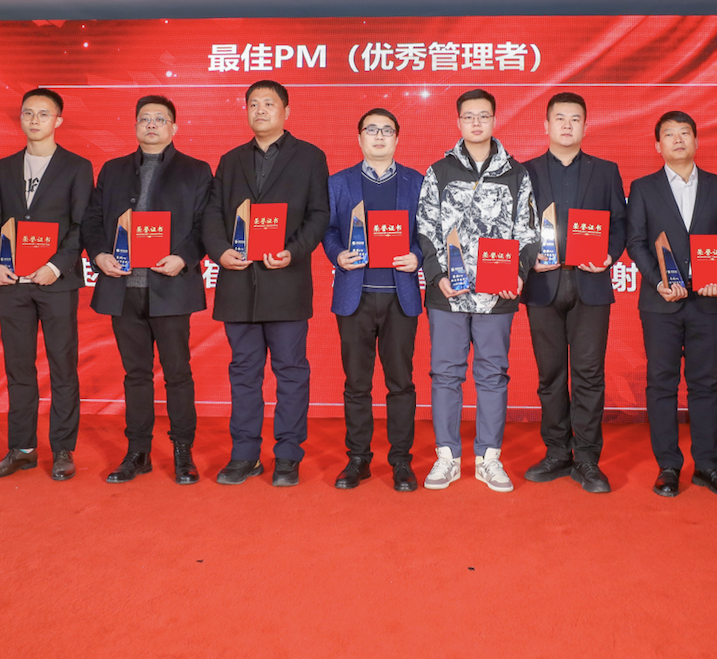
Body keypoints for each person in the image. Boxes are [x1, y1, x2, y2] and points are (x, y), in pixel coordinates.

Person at [203, 80, 330, 487]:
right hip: (238, 283)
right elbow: (212, 214)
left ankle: (288, 455)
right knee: (243, 373)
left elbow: (319, 215)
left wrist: (293, 251)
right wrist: (220, 251)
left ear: (286, 111)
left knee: (291, 372)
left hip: (286, 282)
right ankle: (245, 455)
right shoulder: (230, 160)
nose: (260, 110)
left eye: (269, 104)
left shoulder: (310, 157)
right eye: (253, 104)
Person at [81, 95, 213, 484]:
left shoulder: (196, 170)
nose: (151, 124)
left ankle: (183, 451)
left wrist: (184, 257)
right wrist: (99, 254)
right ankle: (137, 452)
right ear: (136, 126)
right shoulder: (113, 169)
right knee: (135, 374)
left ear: (174, 127)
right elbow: (92, 219)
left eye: (160, 118)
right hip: (123, 288)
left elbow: (206, 223)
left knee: (177, 373)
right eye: (144, 119)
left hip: (170, 287)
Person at [417, 88, 538, 493]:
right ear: (458, 122)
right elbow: (425, 227)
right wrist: (437, 275)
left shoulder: (516, 174)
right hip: (448, 294)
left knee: (492, 375)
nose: (476, 123)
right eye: (468, 116)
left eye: (483, 116)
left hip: (496, 296)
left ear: (494, 120)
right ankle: (447, 457)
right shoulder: (439, 171)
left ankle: (489, 458)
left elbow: (528, 231)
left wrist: (518, 273)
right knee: (445, 374)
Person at [0, 88, 94, 481]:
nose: (34, 120)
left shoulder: (77, 167)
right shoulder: (4, 167)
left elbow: (82, 225)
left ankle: (63, 449)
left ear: (58, 120)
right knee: (18, 368)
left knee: (63, 366)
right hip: (12, 284)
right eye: (28, 113)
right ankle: (23, 448)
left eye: (43, 114)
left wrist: (57, 266)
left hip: (55, 284)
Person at [626, 111, 717, 500]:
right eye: (669, 134)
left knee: (705, 384)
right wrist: (658, 282)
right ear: (657, 145)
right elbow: (636, 242)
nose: (678, 140)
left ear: (696, 140)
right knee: (661, 383)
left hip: (708, 302)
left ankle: (708, 466)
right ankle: (668, 466)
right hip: (660, 303)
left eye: (685, 133)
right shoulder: (643, 188)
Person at [520, 92, 626, 493]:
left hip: (590, 283)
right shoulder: (524, 172)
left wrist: (609, 255)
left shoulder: (606, 172)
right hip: (543, 285)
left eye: (575, 118)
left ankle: (587, 459)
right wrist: (529, 258)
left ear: (585, 125)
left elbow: (620, 223)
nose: (567, 125)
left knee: (588, 374)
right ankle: (556, 452)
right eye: (560, 118)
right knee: (550, 374)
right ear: (546, 125)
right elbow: (514, 225)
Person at [322, 108, 425, 491]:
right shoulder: (339, 183)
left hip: (400, 296)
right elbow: (328, 230)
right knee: (356, 383)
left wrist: (417, 255)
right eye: (371, 129)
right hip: (355, 296)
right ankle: (358, 459)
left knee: (401, 383)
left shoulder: (416, 181)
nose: (379, 136)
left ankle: (401, 461)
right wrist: (337, 254)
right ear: (359, 137)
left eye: (387, 130)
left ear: (397, 138)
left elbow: (427, 231)